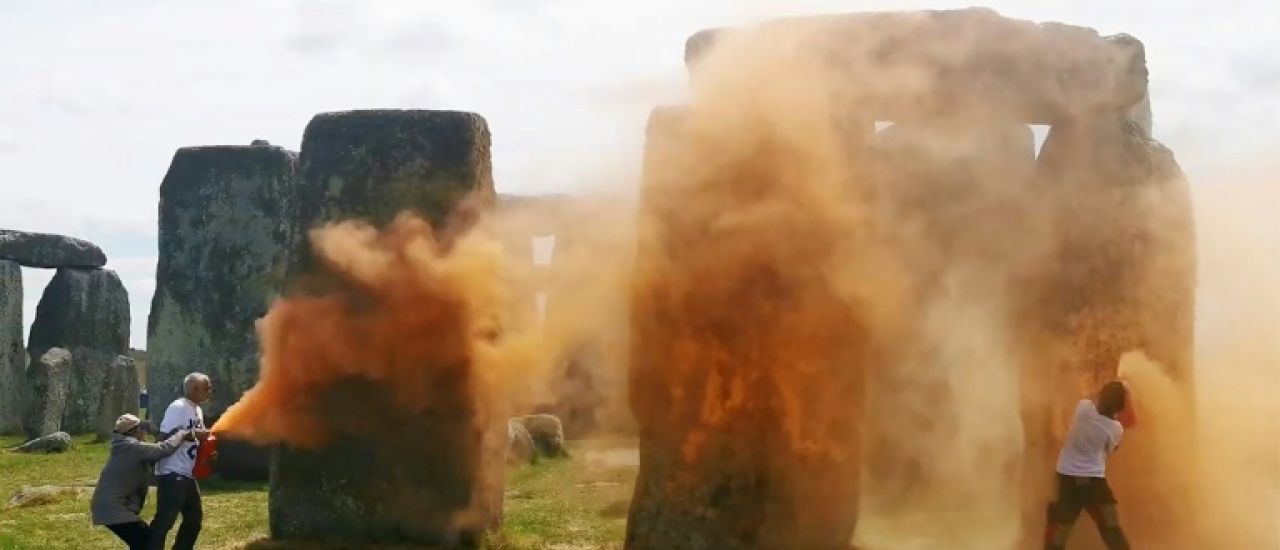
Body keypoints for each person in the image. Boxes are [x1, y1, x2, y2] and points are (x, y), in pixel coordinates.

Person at [1044, 381, 1132, 550]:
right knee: (1112, 531)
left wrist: (1108, 389)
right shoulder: (1115, 429)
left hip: (1066, 482)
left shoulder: (1083, 408)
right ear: (1119, 406)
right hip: (1094, 486)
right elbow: (1111, 449)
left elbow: (1092, 397)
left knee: (1057, 536)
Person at [90, 414, 192, 550]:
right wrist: (182, 434)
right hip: (115, 509)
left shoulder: (125, 446)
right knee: (146, 541)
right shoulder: (132, 447)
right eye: (142, 428)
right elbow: (162, 449)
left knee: (140, 542)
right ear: (134, 431)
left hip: (109, 507)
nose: (145, 431)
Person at [148, 373, 212, 550]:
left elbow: (195, 439)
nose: (210, 392)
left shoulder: (197, 410)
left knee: (194, 520)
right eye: (207, 388)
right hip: (172, 471)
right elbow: (162, 438)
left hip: (187, 473)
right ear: (194, 389)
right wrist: (189, 434)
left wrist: (206, 450)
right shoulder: (178, 407)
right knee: (165, 520)